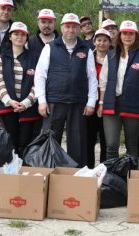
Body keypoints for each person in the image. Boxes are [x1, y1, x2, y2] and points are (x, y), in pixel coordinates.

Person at [34, 13, 98, 166]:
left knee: (78, 142)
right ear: (61, 28)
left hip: (78, 102)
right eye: (67, 26)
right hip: (54, 101)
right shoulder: (50, 47)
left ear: (79, 29)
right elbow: (40, 75)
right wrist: (41, 100)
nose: (71, 30)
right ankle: (48, 172)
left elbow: (92, 77)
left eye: (74, 27)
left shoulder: (86, 49)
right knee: (50, 140)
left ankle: (75, 175)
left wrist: (91, 102)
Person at [98, 20, 139, 159]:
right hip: (111, 103)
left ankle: (129, 177)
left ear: (136, 36)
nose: (127, 36)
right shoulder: (111, 55)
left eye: (131, 34)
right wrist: (101, 103)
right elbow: (103, 82)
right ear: (120, 35)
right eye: (125, 33)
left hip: (133, 104)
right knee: (111, 145)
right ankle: (111, 178)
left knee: (132, 146)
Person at [0, 22, 40, 156]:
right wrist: (9, 101)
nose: (19, 37)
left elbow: (38, 83)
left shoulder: (35, 57)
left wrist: (26, 103)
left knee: (26, 144)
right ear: (10, 36)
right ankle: (11, 174)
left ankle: (25, 174)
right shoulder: (2, 57)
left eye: (23, 34)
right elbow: (0, 82)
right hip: (8, 107)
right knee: (11, 144)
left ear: (27, 37)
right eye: (16, 34)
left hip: (29, 108)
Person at [87, 29, 110, 166]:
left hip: (107, 106)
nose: (101, 43)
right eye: (99, 40)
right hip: (90, 104)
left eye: (105, 40)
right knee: (89, 139)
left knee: (106, 140)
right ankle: (89, 168)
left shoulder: (114, 58)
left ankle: (104, 168)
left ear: (109, 42)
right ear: (94, 41)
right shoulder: (88, 57)